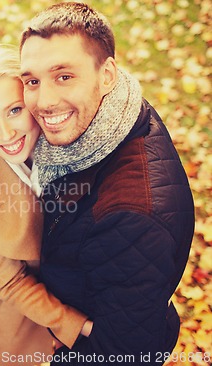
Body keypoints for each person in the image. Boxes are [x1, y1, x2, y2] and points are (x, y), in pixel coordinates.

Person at [19, 2, 194, 365]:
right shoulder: (118, 113)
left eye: (64, 76)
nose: (45, 101)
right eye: (32, 81)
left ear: (108, 74)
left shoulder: (130, 218)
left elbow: (122, 356)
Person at [0, 44, 92, 366]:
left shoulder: (71, 141)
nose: (5, 133)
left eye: (14, 110)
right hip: (6, 302)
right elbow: (12, 282)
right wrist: (79, 325)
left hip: (72, 288)